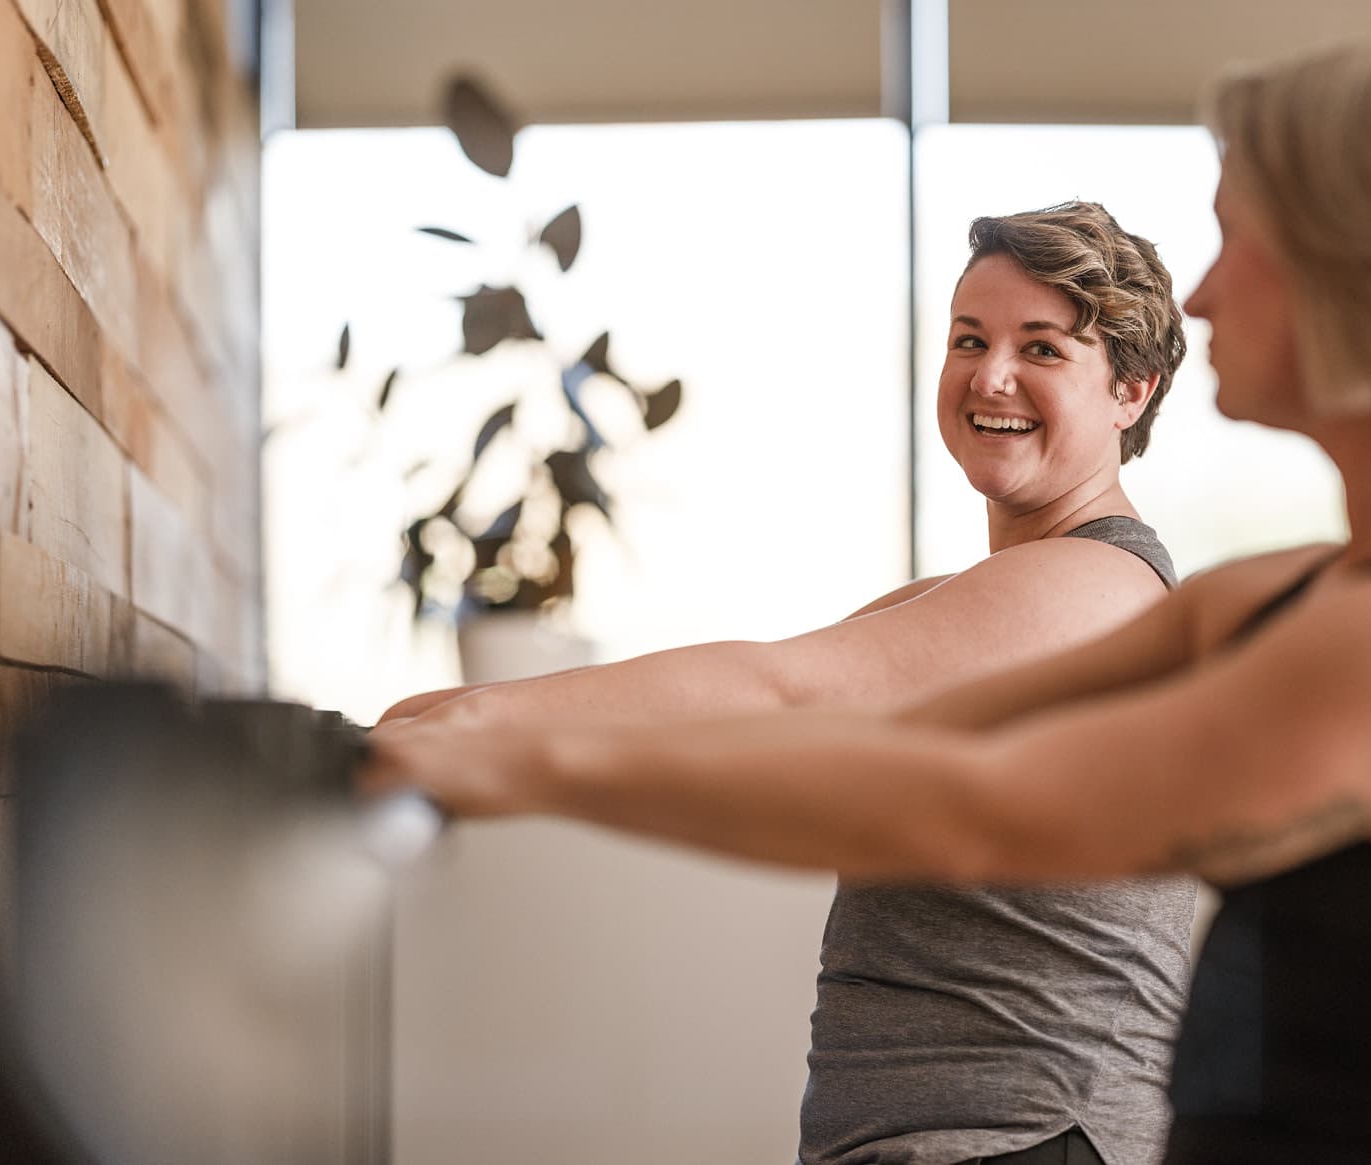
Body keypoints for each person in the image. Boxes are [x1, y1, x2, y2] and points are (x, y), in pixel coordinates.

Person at [369, 38, 1371, 1165]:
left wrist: (525, 762)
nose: (1211, 296)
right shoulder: (1291, 595)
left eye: (1243, 239)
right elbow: (890, 731)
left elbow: (976, 811)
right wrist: (495, 724)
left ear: (1360, 257)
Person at [378, 202, 1194, 1165]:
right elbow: (750, 710)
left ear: (1130, 391)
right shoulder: (969, 599)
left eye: (1044, 349)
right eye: (969, 339)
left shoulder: (1096, 585)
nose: (991, 375)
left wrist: (479, 719)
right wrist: (452, 725)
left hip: (1022, 1140)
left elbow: (786, 693)